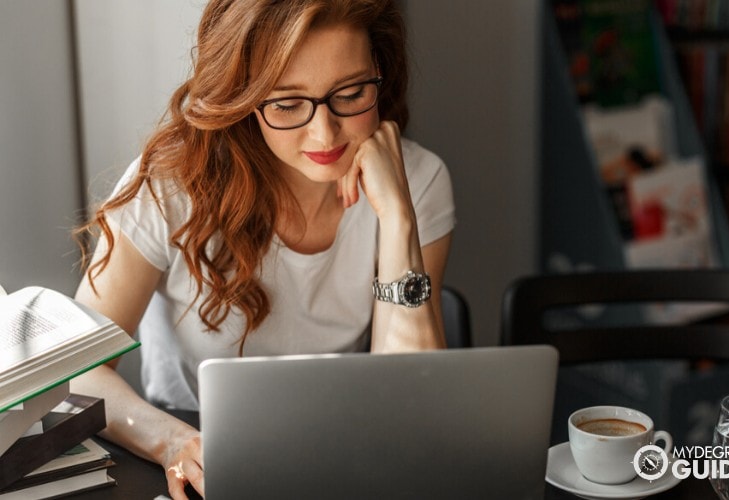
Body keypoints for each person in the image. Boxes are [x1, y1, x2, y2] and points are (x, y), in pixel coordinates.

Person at [71, 0, 454, 498]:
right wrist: (172, 441)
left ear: (380, 71)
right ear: (244, 98)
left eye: (352, 92)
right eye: (287, 103)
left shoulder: (418, 181)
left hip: (343, 460)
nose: (325, 133)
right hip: (193, 458)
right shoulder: (171, 183)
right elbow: (77, 373)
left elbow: (412, 409)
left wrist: (398, 219)